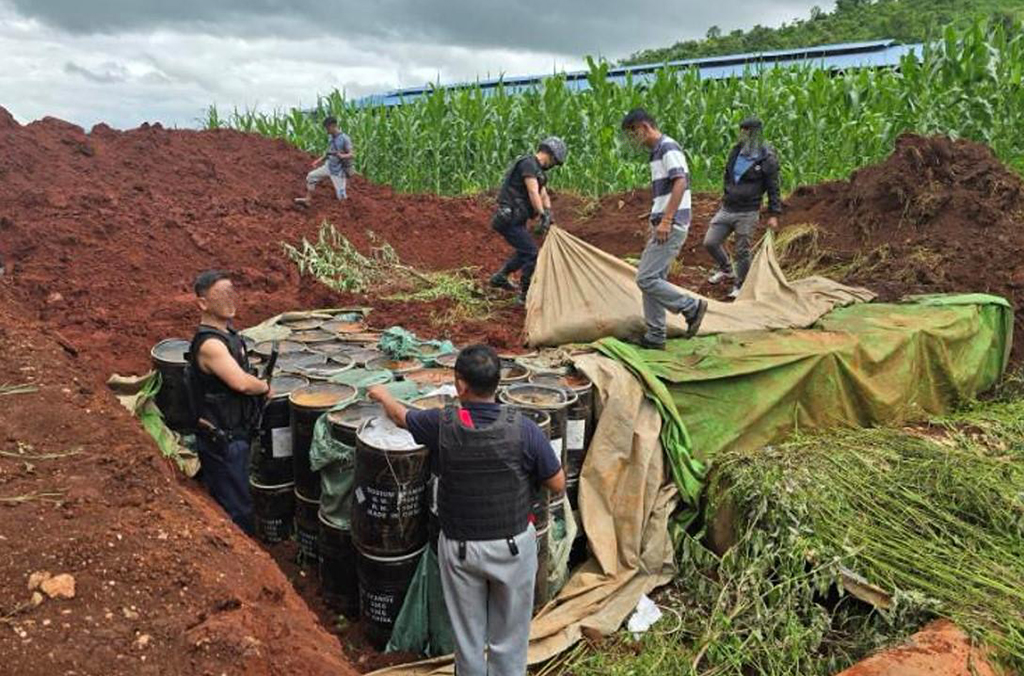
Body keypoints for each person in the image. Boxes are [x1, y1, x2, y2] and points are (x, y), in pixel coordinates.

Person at [367, 345, 564, 676]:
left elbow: (401, 417)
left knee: (469, 639)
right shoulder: (523, 428)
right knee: (512, 637)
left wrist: (383, 395)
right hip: (513, 547)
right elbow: (557, 483)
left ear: (460, 385)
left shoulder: (441, 424)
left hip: (461, 549)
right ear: (497, 384)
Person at [186, 270, 269, 534]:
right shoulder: (210, 344)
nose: (230, 298)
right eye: (221, 294)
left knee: (240, 492)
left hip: (236, 434)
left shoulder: (229, 334)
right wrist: (264, 386)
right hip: (222, 439)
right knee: (236, 508)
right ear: (202, 303)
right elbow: (241, 383)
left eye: (231, 292)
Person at [621, 108, 707, 349]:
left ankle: (691, 307)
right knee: (654, 279)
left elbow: (681, 180)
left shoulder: (668, 147)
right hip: (663, 223)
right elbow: (665, 192)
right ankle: (655, 336)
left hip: (672, 224)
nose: (633, 140)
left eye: (633, 133)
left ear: (644, 127)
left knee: (646, 278)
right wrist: (656, 221)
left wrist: (667, 220)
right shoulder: (656, 152)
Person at [703, 116, 782, 299]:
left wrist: (773, 213)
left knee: (742, 251)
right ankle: (726, 269)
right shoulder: (736, 151)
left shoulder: (767, 158)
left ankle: (741, 284)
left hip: (748, 212)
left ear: (755, 133)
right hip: (728, 208)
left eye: (746, 131)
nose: (742, 134)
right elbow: (727, 174)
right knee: (711, 242)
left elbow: (773, 188)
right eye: (741, 131)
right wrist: (727, 192)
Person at [488, 137, 567, 304]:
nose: (553, 165)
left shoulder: (539, 173)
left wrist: (548, 213)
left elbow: (543, 194)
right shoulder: (528, 164)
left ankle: (500, 276)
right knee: (531, 253)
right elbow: (533, 192)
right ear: (551, 155)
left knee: (525, 250)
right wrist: (541, 213)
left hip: (517, 219)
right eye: (554, 161)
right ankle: (524, 294)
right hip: (508, 218)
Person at [296, 116, 354, 205]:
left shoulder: (345, 138)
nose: (326, 130)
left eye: (327, 128)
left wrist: (342, 156)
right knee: (311, 176)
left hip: (339, 171)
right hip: (329, 166)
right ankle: (308, 199)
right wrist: (318, 160)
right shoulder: (331, 138)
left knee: (341, 196)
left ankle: (345, 214)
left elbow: (351, 154)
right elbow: (328, 152)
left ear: (333, 126)